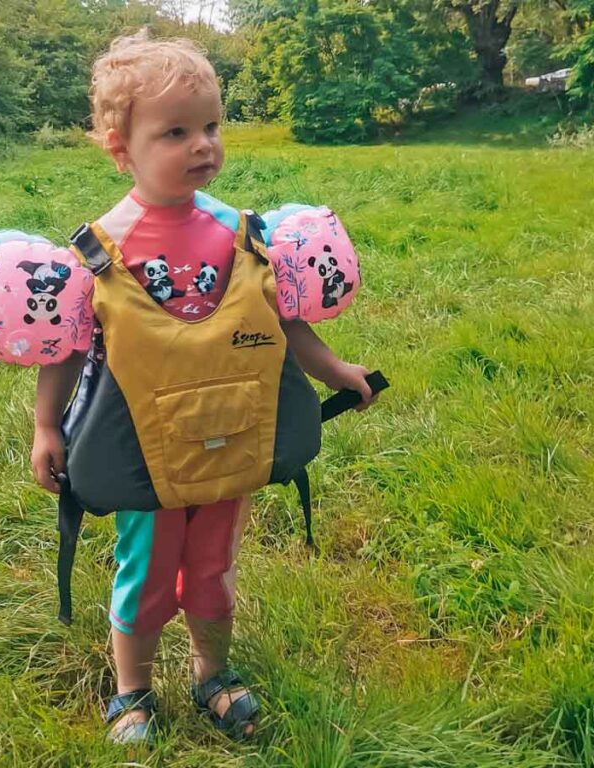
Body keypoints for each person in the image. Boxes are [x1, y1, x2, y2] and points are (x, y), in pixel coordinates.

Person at [29, 31, 377, 745]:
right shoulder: (98, 250)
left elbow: (281, 319)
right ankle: (132, 691)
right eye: (176, 132)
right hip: (145, 451)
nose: (203, 146)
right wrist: (46, 426)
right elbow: (63, 349)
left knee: (213, 567)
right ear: (119, 145)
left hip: (230, 437)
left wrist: (334, 370)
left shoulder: (245, 234)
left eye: (213, 127)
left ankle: (211, 673)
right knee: (147, 572)